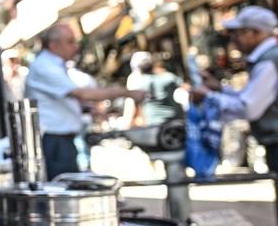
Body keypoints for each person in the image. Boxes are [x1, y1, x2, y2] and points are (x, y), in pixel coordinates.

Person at [192, 5, 278, 226]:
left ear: (255, 33)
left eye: (239, 33)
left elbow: (249, 108)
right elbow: (252, 99)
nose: (234, 39)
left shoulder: (271, 61)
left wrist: (209, 96)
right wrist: (220, 91)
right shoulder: (274, 58)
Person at [25, 23, 146, 178]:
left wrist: (87, 109)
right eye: (70, 42)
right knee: (63, 188)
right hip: (54, 140)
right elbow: (83, 94)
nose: (75, 47)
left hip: (60, 140)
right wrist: (127, 92)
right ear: (53, 45)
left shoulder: (54, 65)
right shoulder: (45, 66)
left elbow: (63, 99)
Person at [135, 56, 185, 127]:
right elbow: (186, 88)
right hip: (173, 118)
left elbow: (137, 105)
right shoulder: (168, 78)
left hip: (153, 121)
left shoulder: (138, 84)